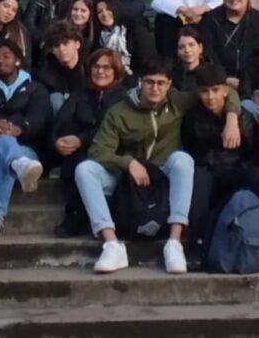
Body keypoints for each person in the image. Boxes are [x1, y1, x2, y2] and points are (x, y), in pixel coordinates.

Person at [75, 56, 239, 275]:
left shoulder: (178, 100)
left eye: (161, 83)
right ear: (140, 82)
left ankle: (174, 242)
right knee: (84, 170)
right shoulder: (119, 111)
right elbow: (98, 150)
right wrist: (128, 162)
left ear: (169, 84)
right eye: (150, 82)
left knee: (183, 159)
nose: (155, 88)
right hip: (128, 179)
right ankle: (112, 244)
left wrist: (232, 119)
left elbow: (228, 92)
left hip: (162, 171)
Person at [182, 64, 259, 271]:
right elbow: (190, 149)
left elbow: (254, 152)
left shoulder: (243, 118)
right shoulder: (193, 118)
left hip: (235, 172)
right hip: (208, 176)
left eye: (215, 90)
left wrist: (242, 166)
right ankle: (197, 244)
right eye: (204, 91)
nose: (210, 97)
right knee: (199, 176)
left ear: (225, 90)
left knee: (258, 175)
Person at [0, 39, 53, 242]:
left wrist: (20, 128)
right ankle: (17, 163)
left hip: (28, 150)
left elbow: (40, 119)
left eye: (6, 56)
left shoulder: (36, 89)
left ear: (18, 60)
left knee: (5, 147)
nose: (1, 60)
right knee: (1, 139)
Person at [52, 48, 128, 236]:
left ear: (116, 70)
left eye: (106, 67)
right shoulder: (82, 92)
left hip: (111, 153)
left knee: (85, 158)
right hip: (77, 151)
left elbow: (111, 129)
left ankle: (76, 215)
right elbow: (62, 119)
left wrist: (81, 139)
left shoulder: (124, 96)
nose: (100, 71)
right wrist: (58, 141)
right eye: (96, 66)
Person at [199, 0, 259, 100]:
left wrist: (244, 83)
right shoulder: (210, 20)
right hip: (218, 84)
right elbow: (207, 54)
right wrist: (224, 78)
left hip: (254, 85)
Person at [93, 0, 154, 76]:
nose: (104, 14)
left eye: (108, 9)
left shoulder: (133, 26)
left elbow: (147, 56)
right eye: (100, 12)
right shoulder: (97, 34)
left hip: (136, 74)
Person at [37, 23, 87, 112]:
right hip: (59, 117)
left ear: (77, 44)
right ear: (52, 50)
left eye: (65, 43)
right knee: (55, 98)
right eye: (56, 45)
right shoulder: (47, 72)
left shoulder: (90, 68)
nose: (61, 49)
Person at [171, 24, 205, 92]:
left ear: (200, 48)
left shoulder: (211, 73)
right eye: (182, 47)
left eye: (191, 45)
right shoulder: (171, 74)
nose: (187, 50)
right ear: (177, 51)